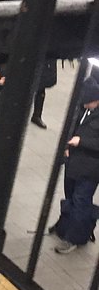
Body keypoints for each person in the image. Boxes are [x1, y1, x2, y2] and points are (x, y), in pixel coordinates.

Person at [49, 76, 99, 255]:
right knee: (71, 196)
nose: (84, 104)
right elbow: (71, 127)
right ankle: (67, 226)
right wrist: (66, 147)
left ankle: (74, 238)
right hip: (73, 162)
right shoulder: (82, 108)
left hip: (90, 168)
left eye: (88, 102)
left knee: (81, 200)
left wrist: (81, 141)